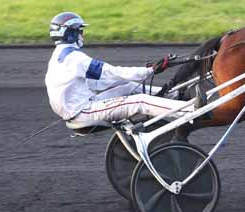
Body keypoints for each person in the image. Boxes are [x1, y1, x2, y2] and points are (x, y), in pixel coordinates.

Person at [45, 12, 192, 129]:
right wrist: (150, 70)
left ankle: (177, 95)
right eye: (80, 31)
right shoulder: (75, 58)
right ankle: (189, 111)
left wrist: (147, 71)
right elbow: (112, 72)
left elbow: (101, 83)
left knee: (129, 87)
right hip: (84, 112)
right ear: (71, 33)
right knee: (140, 101)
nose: (82, 34)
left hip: (80, 107)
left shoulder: (58, 56)